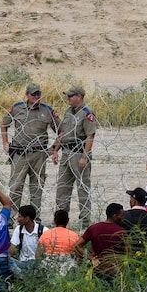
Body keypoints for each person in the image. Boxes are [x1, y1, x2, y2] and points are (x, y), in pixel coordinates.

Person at [1, 82, 60, 216]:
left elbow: (62, 130)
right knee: (16, 186)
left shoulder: (47, 110)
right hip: (20, 154)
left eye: (38, 94)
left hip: (39, 154)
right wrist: (5, 143)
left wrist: (54, 149)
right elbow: (4, 124)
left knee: (37, 187)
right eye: (33, 94)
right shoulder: (17, 108)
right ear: (27, 95)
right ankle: (12, 216)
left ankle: (35, 217)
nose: (36, 96)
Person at [51, 85, 97, 229]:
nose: (68, 98)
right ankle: (61, 222)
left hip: (78, 153)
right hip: (66, 152)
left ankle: (84, 223)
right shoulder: (68, 112)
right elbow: (63, 133)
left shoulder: (86, 113)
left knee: (82, 188)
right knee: (62, 189)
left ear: (80, 97)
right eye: (68, 96)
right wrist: (55, 149)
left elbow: (90, 135)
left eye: (71, 96)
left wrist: (85, 156)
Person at [74, 203, 128, 281]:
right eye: (121, 215)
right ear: (114, 216)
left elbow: (77, 245)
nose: (123, 218)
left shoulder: (93, 228)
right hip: (116, 270)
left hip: (98, 269)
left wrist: (91, 258)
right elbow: (128, 253)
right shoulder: (121, 232)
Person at [36, 210, 79, 275]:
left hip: (48, 269)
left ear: (54, 220)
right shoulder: (74, 235)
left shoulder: (45, 234)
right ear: (67, 221)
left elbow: (38, 255)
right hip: (67, 270)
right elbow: (78, 255)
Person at [8, 205, 44, 278]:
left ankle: (24, 278)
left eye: (19, 216)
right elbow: (12, 248)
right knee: (6, 260)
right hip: (23, 263)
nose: (17, 219)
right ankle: (25, 277)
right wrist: (7, 257)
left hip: (37, 264)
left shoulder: (43, 230)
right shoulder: (19, 229)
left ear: (27, 219)